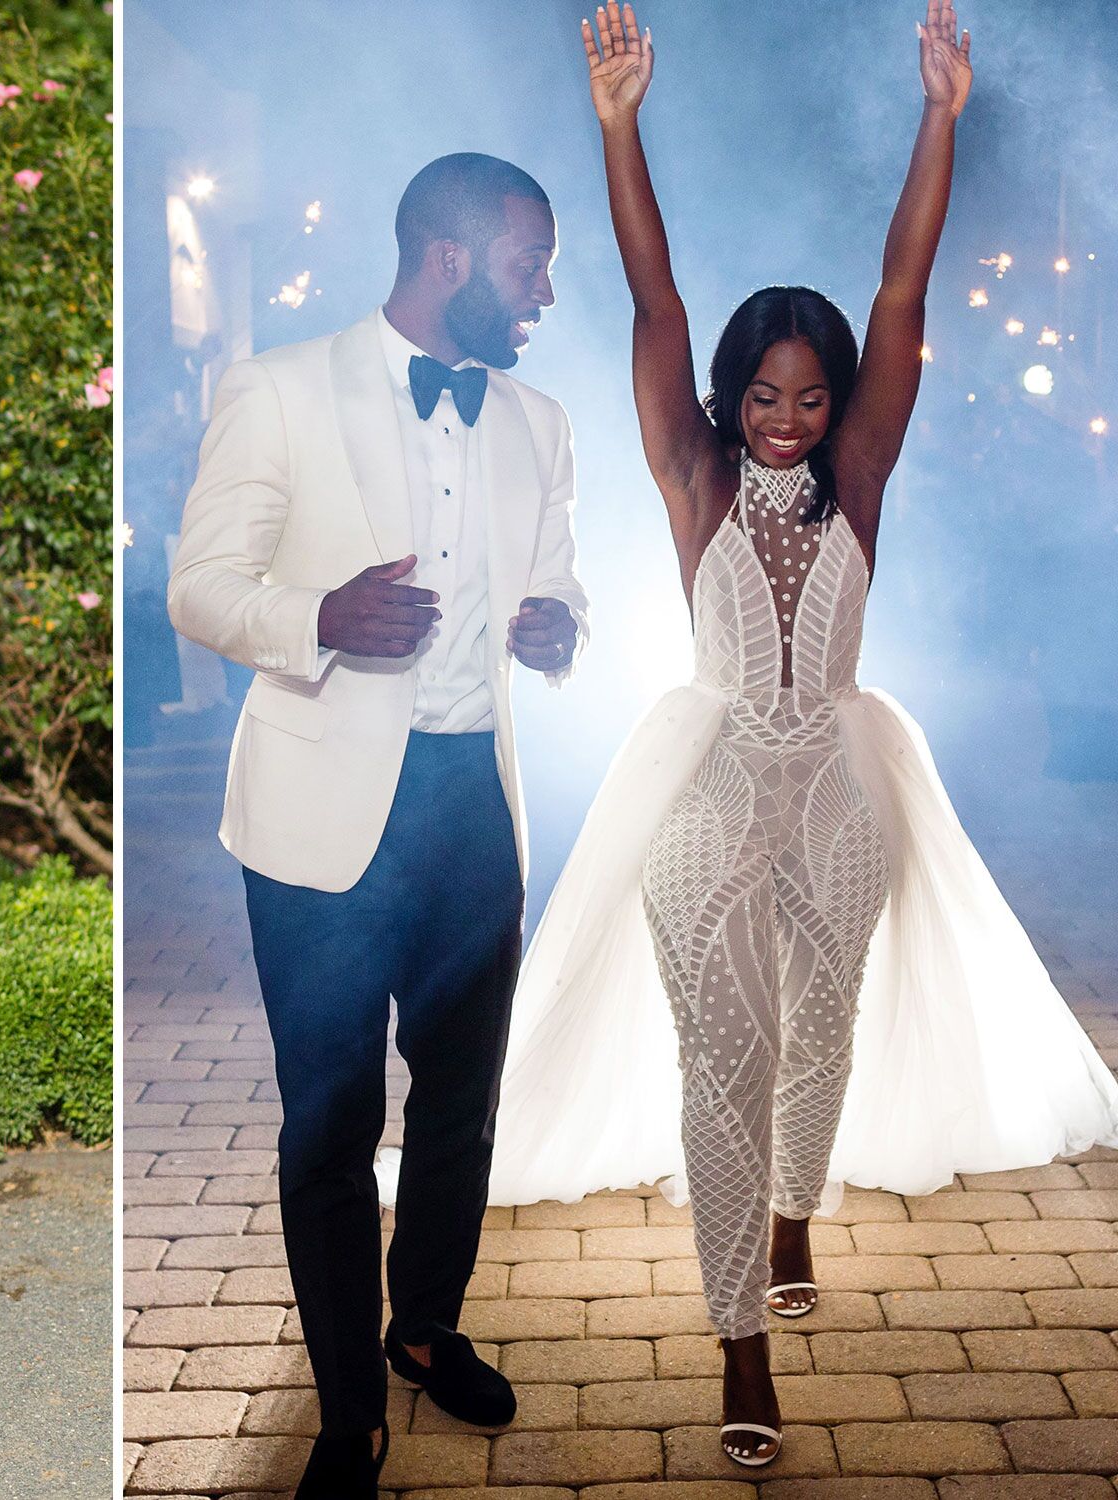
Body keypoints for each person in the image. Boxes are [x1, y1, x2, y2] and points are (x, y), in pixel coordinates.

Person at [467, 0, 1118, 1470]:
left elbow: (902, 291)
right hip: (701, 787)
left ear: (838, 413)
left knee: (821, 1029)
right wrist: (619, 127)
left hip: (837, 782)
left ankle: (790, 1210)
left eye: (809, 400)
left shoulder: (860, 480)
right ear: (730, 402)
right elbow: (654, 303)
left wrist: (940, 118)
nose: (785, 417)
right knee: (725, 1060)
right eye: (765, 395)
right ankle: (740, 1344)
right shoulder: (691, 472)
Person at [167, 151, 587, 1500]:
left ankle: (425, 1328)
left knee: (462, 1108)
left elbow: (565, 579)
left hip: (476, 802)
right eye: (532, 261)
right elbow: (198, 588)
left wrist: (564, 627)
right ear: (451, 254)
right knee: (330, 1121)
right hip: (322, 814)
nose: (546, 289)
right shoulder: (280, 387)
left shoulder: (539, 420)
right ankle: (346, 1413)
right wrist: (316, 620)